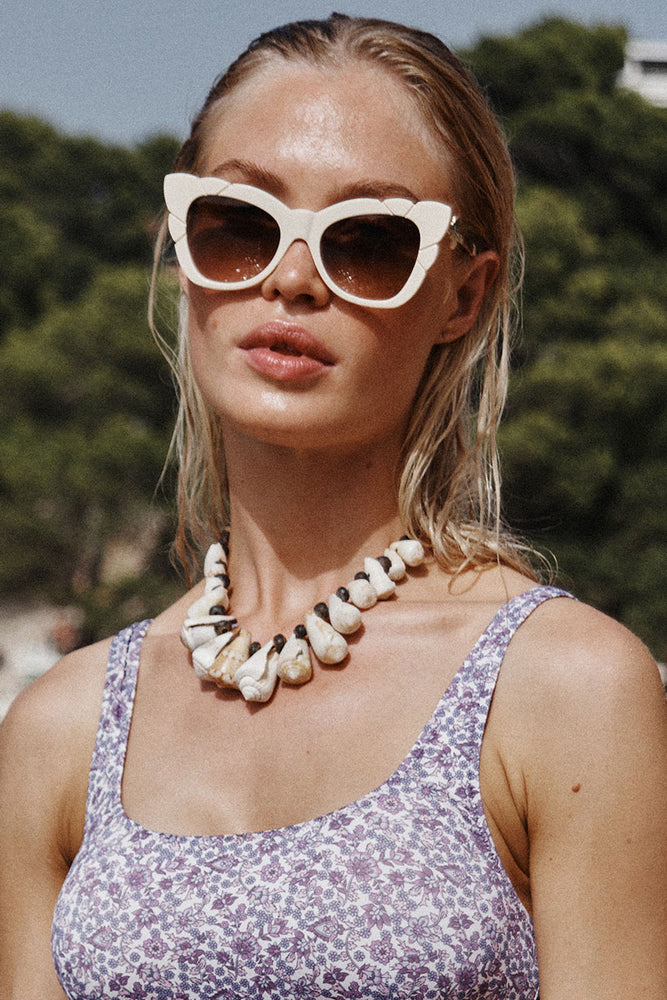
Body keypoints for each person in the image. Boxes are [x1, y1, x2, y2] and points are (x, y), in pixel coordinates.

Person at [0, 13, 665, 999]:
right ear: (181, 246)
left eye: (368, 243)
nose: (292, 278)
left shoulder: (561, 689)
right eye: (238, 224)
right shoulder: (62, 725)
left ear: (462, 295)